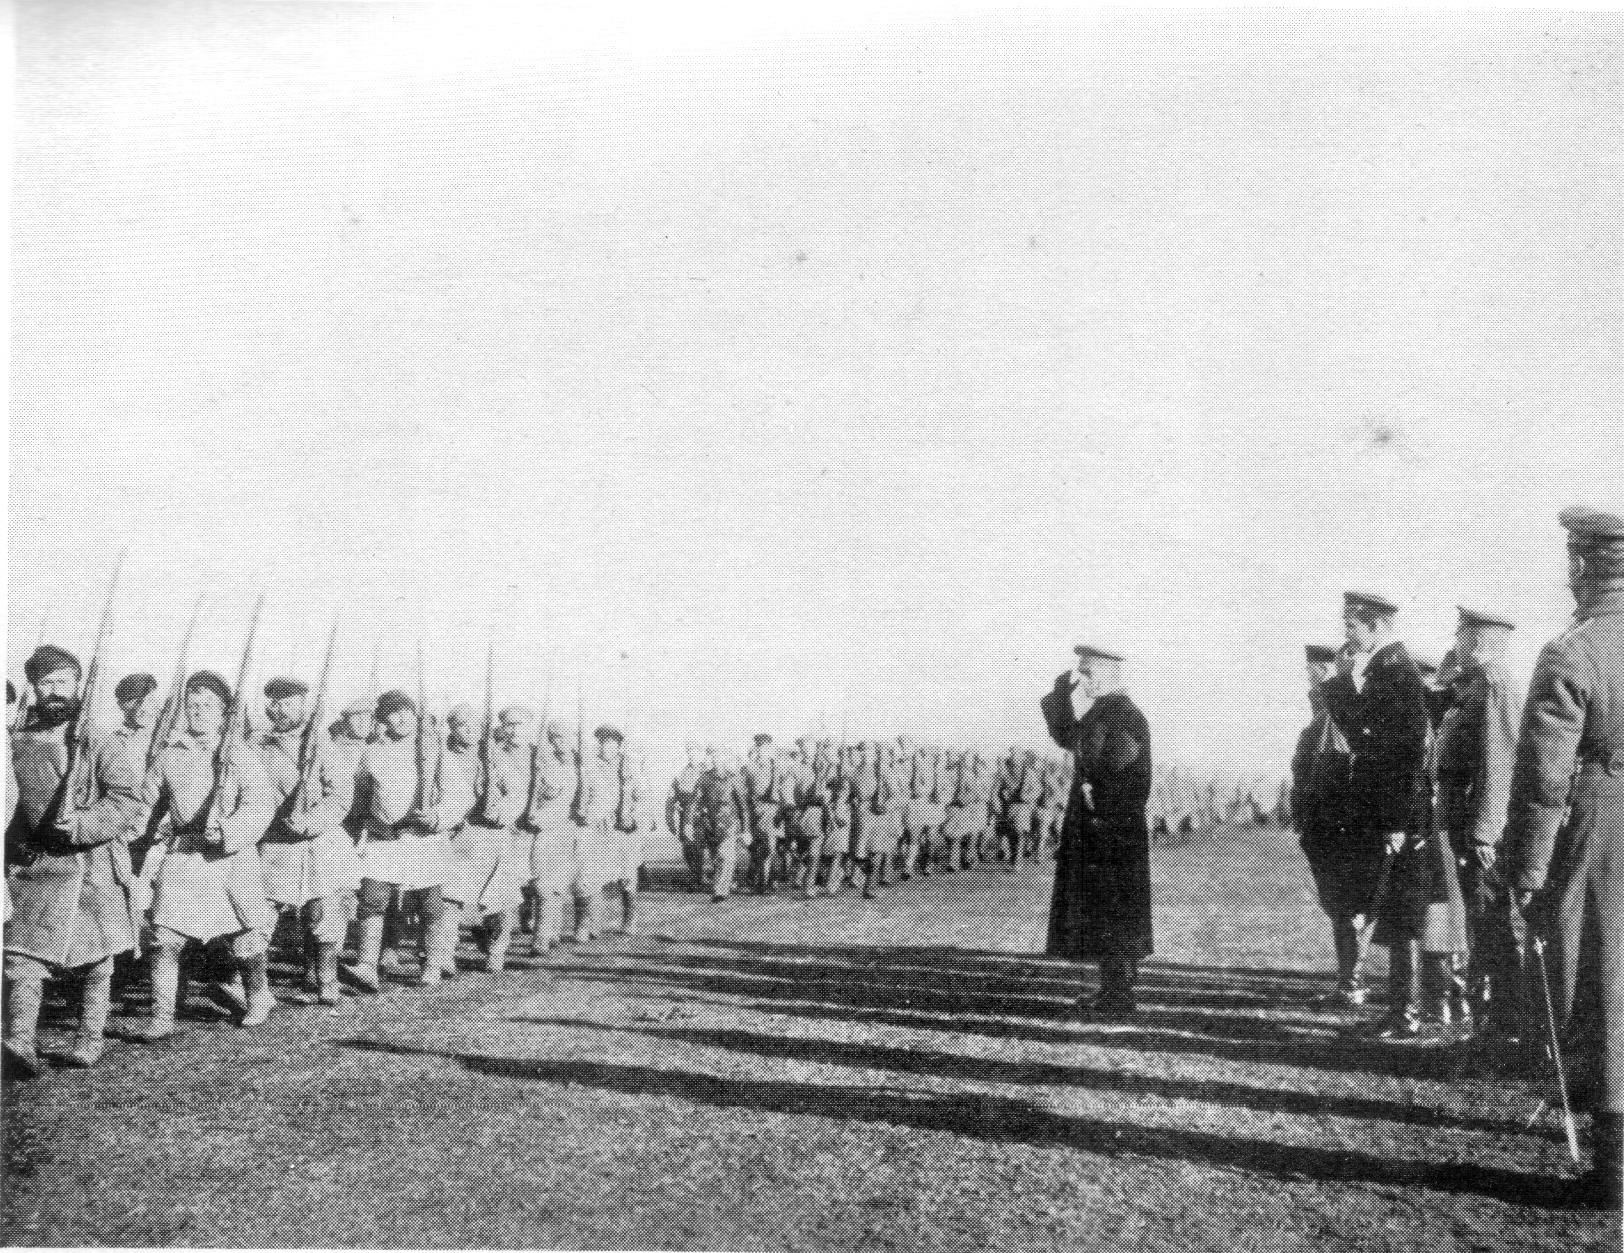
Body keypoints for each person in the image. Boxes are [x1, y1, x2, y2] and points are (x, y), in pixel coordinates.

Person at [1501, 507, 1624, 1209]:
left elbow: (1543, 782)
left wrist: (1527, 870)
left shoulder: (1572, 650)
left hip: (1601, 829)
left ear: (1581, 565)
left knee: (1606, 990)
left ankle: (1613, 1177)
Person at [4, 646, 145, 1072]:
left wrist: (83, 824)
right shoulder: (16, 738)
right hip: (36, 864)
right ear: (33, 687)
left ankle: (89, 1038)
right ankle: (19, 1041)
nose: (53, 691)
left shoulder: (101, 740)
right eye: (44, 683)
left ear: (79, 684)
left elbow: (127, 800)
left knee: (97, 958)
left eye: (62, 682)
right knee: (21, 953)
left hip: (92, 865)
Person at [1316, 591, 1436, 1040]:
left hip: (1398, 815)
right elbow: (1364, 736)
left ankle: (1405, 1013)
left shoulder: (1396, 673)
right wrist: (1341, 682)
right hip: (1391, 811)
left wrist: (1396, 822)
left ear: (1376, 627)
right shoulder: (1384, 670)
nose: (1346, 635)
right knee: (1396, 913)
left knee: (1404, 914)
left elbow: (1406, 752)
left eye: (1352, 626)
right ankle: (1400, 1010)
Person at [136, 669, 279, 1042]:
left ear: (224, 712)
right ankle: (162, 1015)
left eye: (208, 705)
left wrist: (230, 831)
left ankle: (258, 995)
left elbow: (260, 805)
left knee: (246, 937)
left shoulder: (240, 755)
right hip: (184, 857)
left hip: (231, 860)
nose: (198, 712)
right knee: (165, 938)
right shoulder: (169, 755)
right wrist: (134, 835)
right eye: (192, 705)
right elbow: (146, 804)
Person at [1042, 644, 1153, 1014]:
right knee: (1105, 908)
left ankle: (1119, 993)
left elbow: (1125, 772)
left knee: (1115, 909)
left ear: (1108, 673)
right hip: (1101, 825)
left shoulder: (1123, 714)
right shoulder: (1104, 710)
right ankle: (1113, 989)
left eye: (1087, 672)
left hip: (1112, 828)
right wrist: (1060, 695)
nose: (1083, 679)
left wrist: (1098, 801)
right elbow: (1071, 739)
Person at [1432, 607, 1523, 1044]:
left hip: (1478, 824)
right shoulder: (1475, 684)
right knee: (1479, 923)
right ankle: (1494, 1024)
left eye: (1461, 636)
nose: (1456, 643)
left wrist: (1486, 830)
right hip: (1462, 816)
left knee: (1491, 923)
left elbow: (1499, 762)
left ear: (1480, 642)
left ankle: (1504, 1027)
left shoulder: (1495, 683)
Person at [346, 691, 458, 991]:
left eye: (406, 711)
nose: (401, 718)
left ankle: (432, 963)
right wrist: (361, 828)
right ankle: (367, 964)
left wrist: (437, 817)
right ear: (383, 720)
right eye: (393, 713)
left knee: (429, 903)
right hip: (384, 839)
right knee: (372, 899)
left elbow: (457, 796)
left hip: (422, 839)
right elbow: (360, 795)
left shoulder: (433, 750)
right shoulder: (372, 753)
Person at [1292, 644, 1365, 1005]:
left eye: (1313, 671)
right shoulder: (1319, 718)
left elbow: (1336, 770)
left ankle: (1352, 981)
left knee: (1348, 904)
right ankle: (1349, 979)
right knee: (1339, 904)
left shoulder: (1337, 716)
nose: (1309, 678)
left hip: (1339, 825)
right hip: (1321, 825)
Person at [438, 704, 516, 976]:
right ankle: (444, 952)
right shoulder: (441, 755)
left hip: (492, 835)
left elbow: (515, 792)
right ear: (452, 728)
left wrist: (502, 811)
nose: (470, 730)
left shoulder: (494, 755)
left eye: (475, 725)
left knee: (500, 898)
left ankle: (496, 950)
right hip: (458, 834)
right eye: (462, 725)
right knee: (449, 896)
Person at [570, 725, 643, 939]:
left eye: (610, 743)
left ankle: (629, 917)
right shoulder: (589, 766)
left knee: (627, 876)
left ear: (618, 745)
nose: (605, 747)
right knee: (586, 876)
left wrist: (633, 817)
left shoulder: (629, 767)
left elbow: (642, 797)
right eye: (602, 742)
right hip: (594, 828)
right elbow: (580, 797)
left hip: (622, 828)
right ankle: (585, 924)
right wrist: (582, 814)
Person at [521, 720, 577, 952]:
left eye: (562, 737)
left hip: (566, 831)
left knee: (556, 885)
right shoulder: (544, 764)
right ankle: (543, 935)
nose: (558, 743)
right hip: (541, 832)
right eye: (553, 739)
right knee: (541, 884)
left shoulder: (581, 765)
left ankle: (549, 932)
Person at [694, 747, 748, 901]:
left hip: (729, 823)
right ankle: (721, 885)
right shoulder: (705, 778)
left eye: (719, 757)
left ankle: (720, 890)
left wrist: (746, 829)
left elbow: (743, 806)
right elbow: (696, 801)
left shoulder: (733, 778)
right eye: (714, 757)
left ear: (725, 760)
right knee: (716, 856)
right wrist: (692, 821)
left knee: (726, 855)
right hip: (710, 823)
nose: (716, 760)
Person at [666, 743, 707, 891]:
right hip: (685, 816)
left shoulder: (707, 771)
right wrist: (669, 818)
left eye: (696, 752)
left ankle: (700, 878)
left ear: (702, 754)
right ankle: (697, 877)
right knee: (688, 848)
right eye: (690, 752)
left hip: (703, 816)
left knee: (700, 847)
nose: (692, 755)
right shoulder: (682, 773)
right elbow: (672, 796)